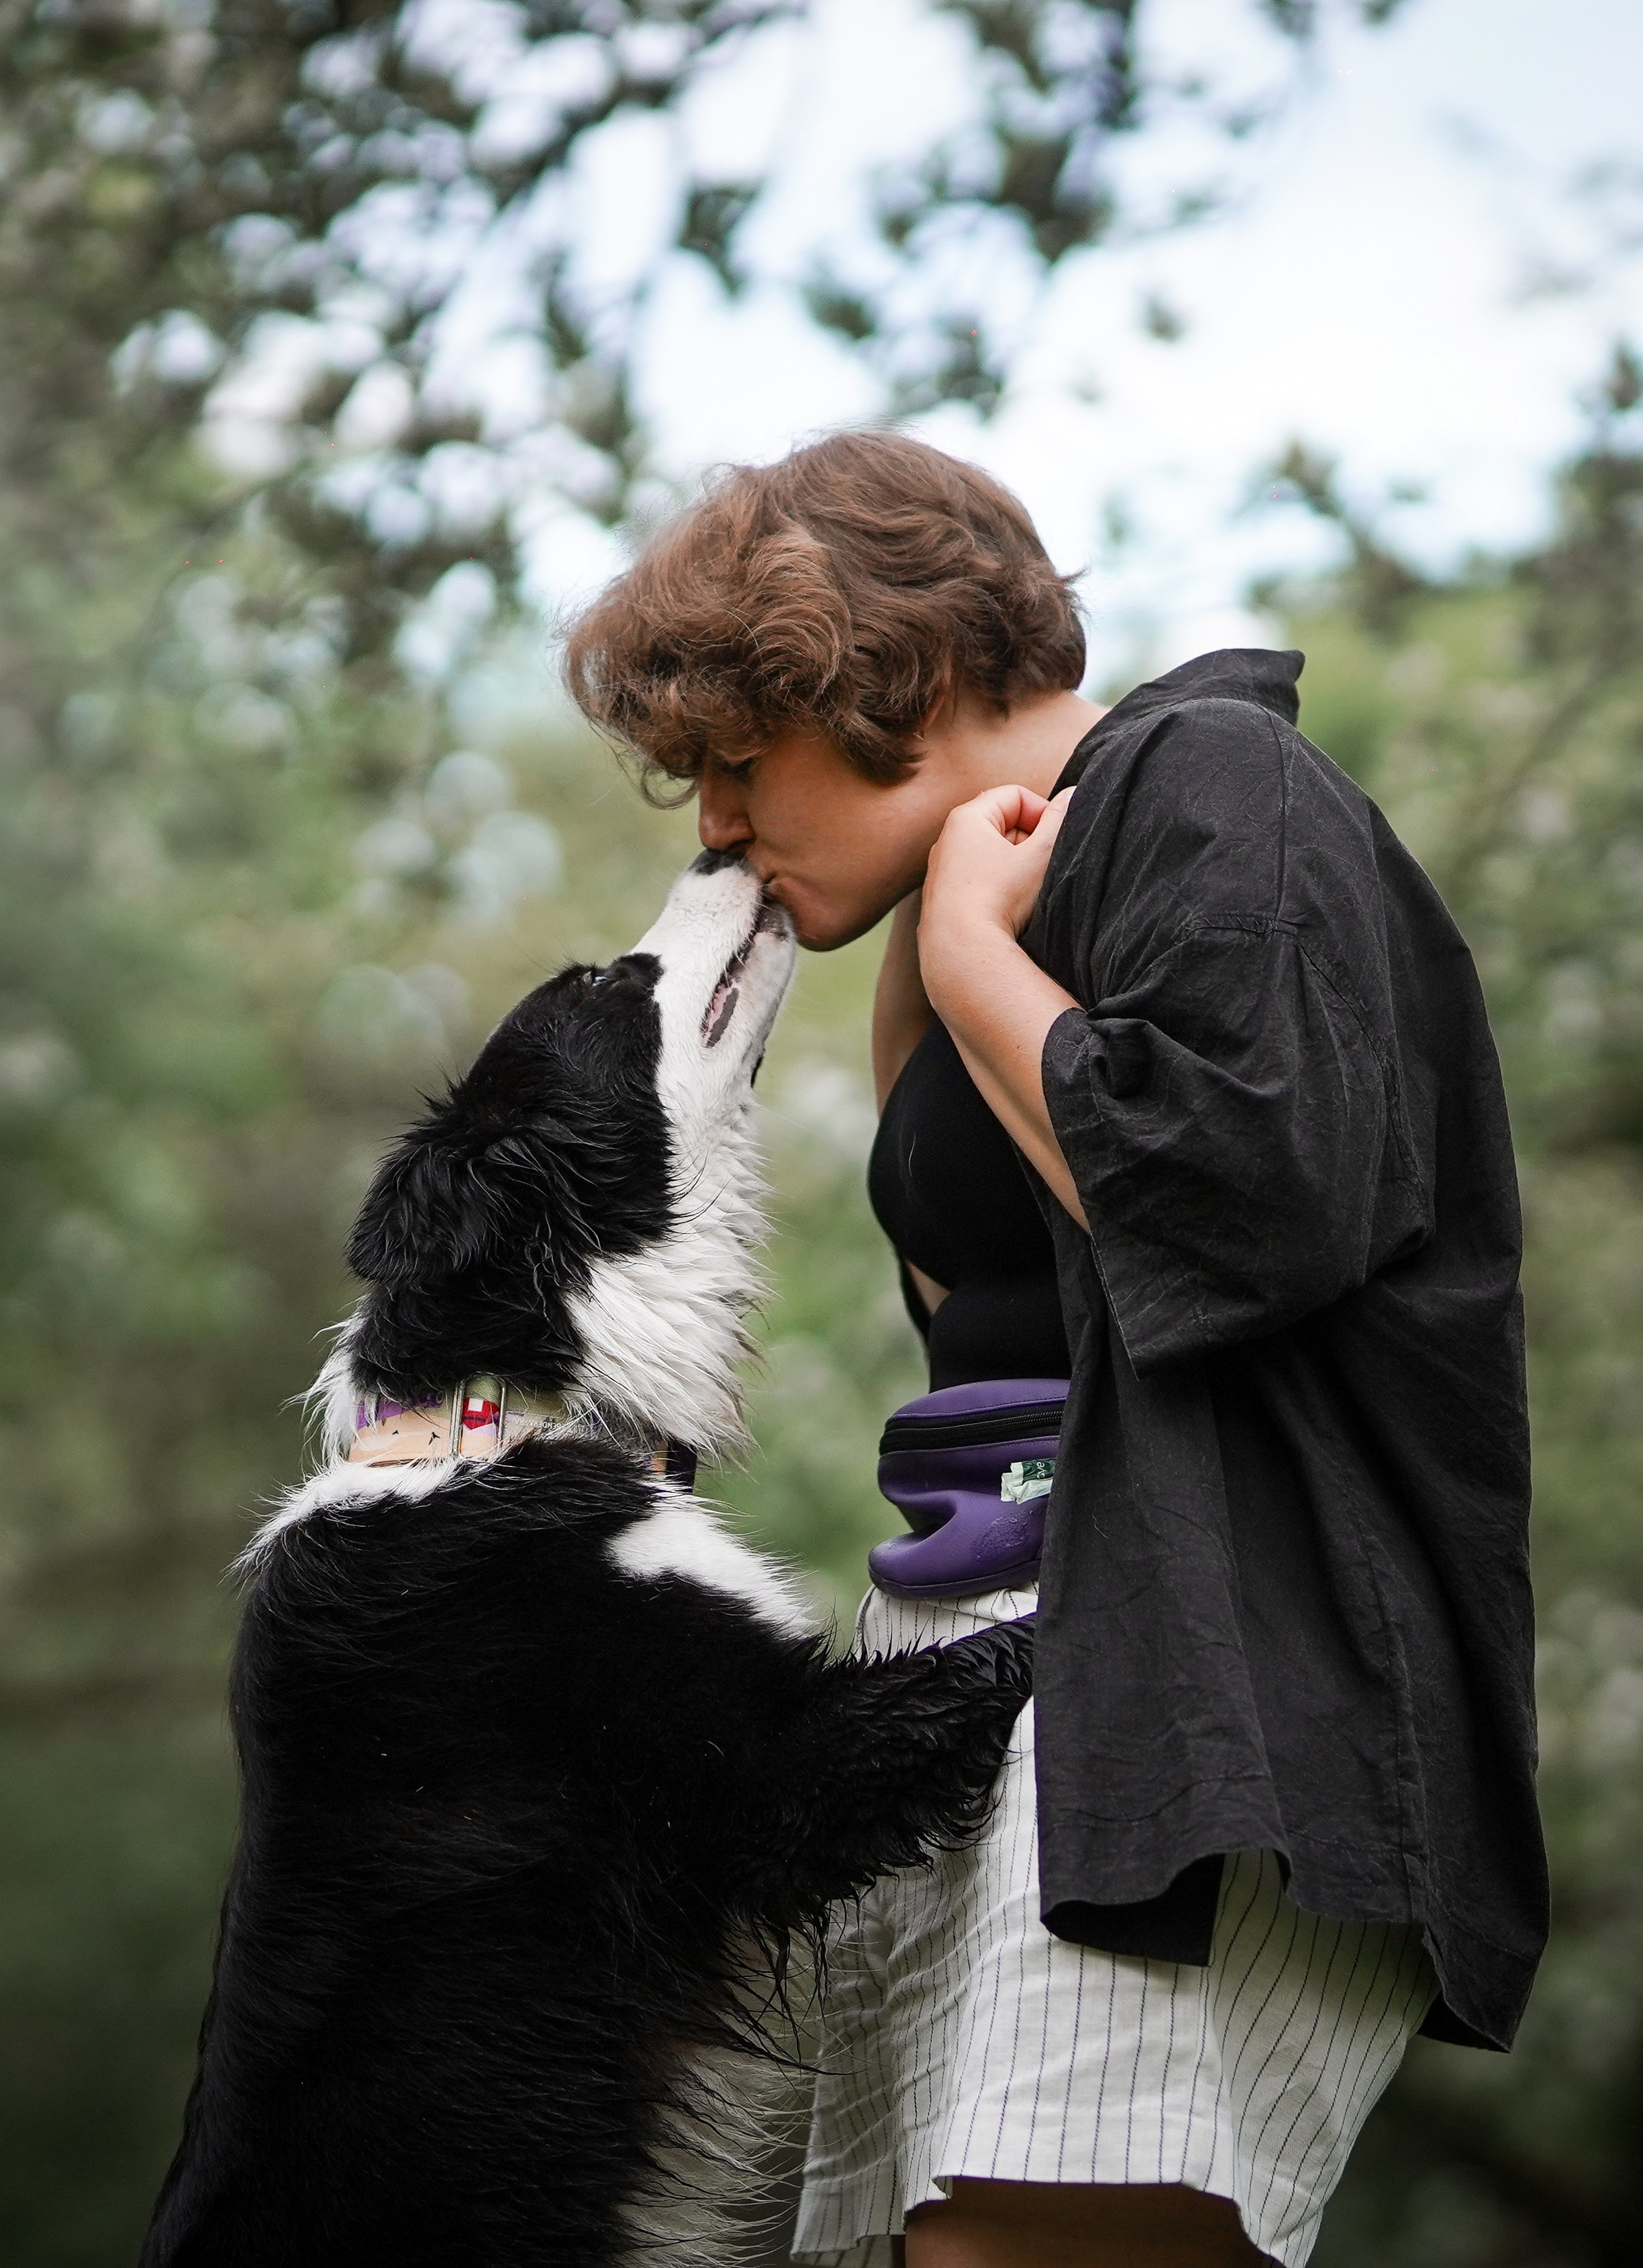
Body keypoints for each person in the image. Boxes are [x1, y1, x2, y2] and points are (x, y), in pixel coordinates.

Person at [562, 430, 1547, 2268]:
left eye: (737, 762)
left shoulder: (1215, 780)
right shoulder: (967, 922)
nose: (713, 824)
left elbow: (1251, 1203)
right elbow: (996, 1331)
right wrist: (940, 969)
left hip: (1190, 1710)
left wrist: (969, 955)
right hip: (996, 1679)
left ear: (892, 681)